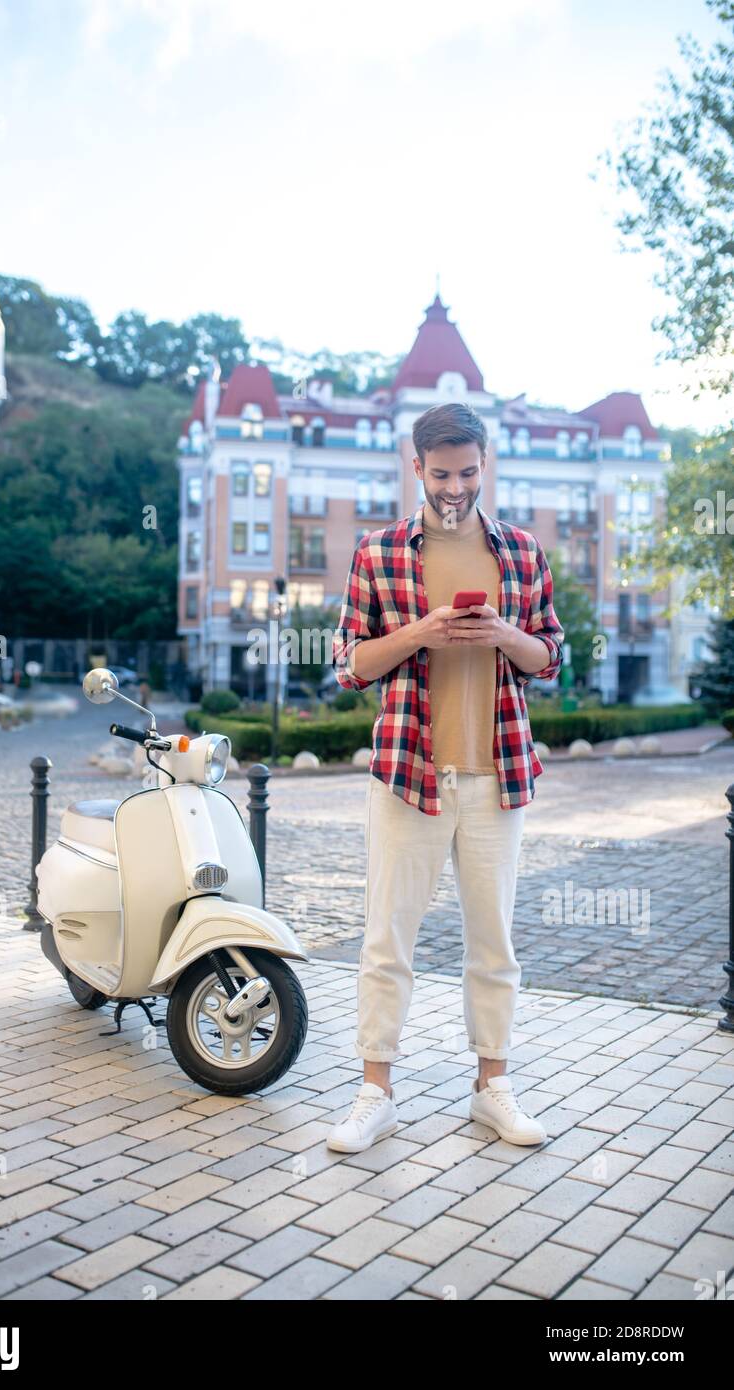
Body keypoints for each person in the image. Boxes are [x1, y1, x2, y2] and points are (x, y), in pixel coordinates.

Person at [327, 402, 564, 1154]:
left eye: (467, 472)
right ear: (416, 468)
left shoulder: (521, 551)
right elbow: (348, 665)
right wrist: (420, 632)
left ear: (484, 464)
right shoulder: (378, 552)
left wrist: (505, 634)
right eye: (440, 474)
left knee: (494, 945)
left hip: (497, 776)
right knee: (387, 941)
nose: (455, 487)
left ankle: (492, 1088)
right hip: (408, 773)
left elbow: (550, 658)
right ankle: (375, 1094)